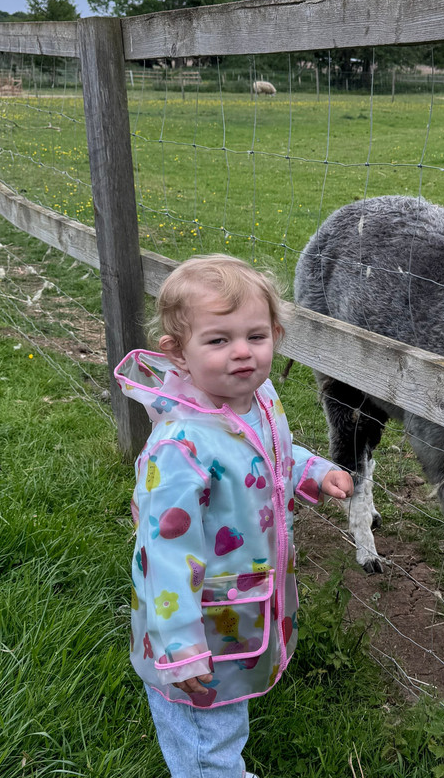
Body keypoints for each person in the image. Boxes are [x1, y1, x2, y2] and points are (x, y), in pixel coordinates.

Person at [114, 254, 354, 778]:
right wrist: (179, 648)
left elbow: (269, 457)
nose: (242, 352)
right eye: (219, 340)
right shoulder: (180, 447)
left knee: (223, 715)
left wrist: (310, 472)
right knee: (205, 730)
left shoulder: (258, 400)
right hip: (195, 622)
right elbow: (164, 555)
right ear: (177, 354)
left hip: (236, 608)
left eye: (256, 335)